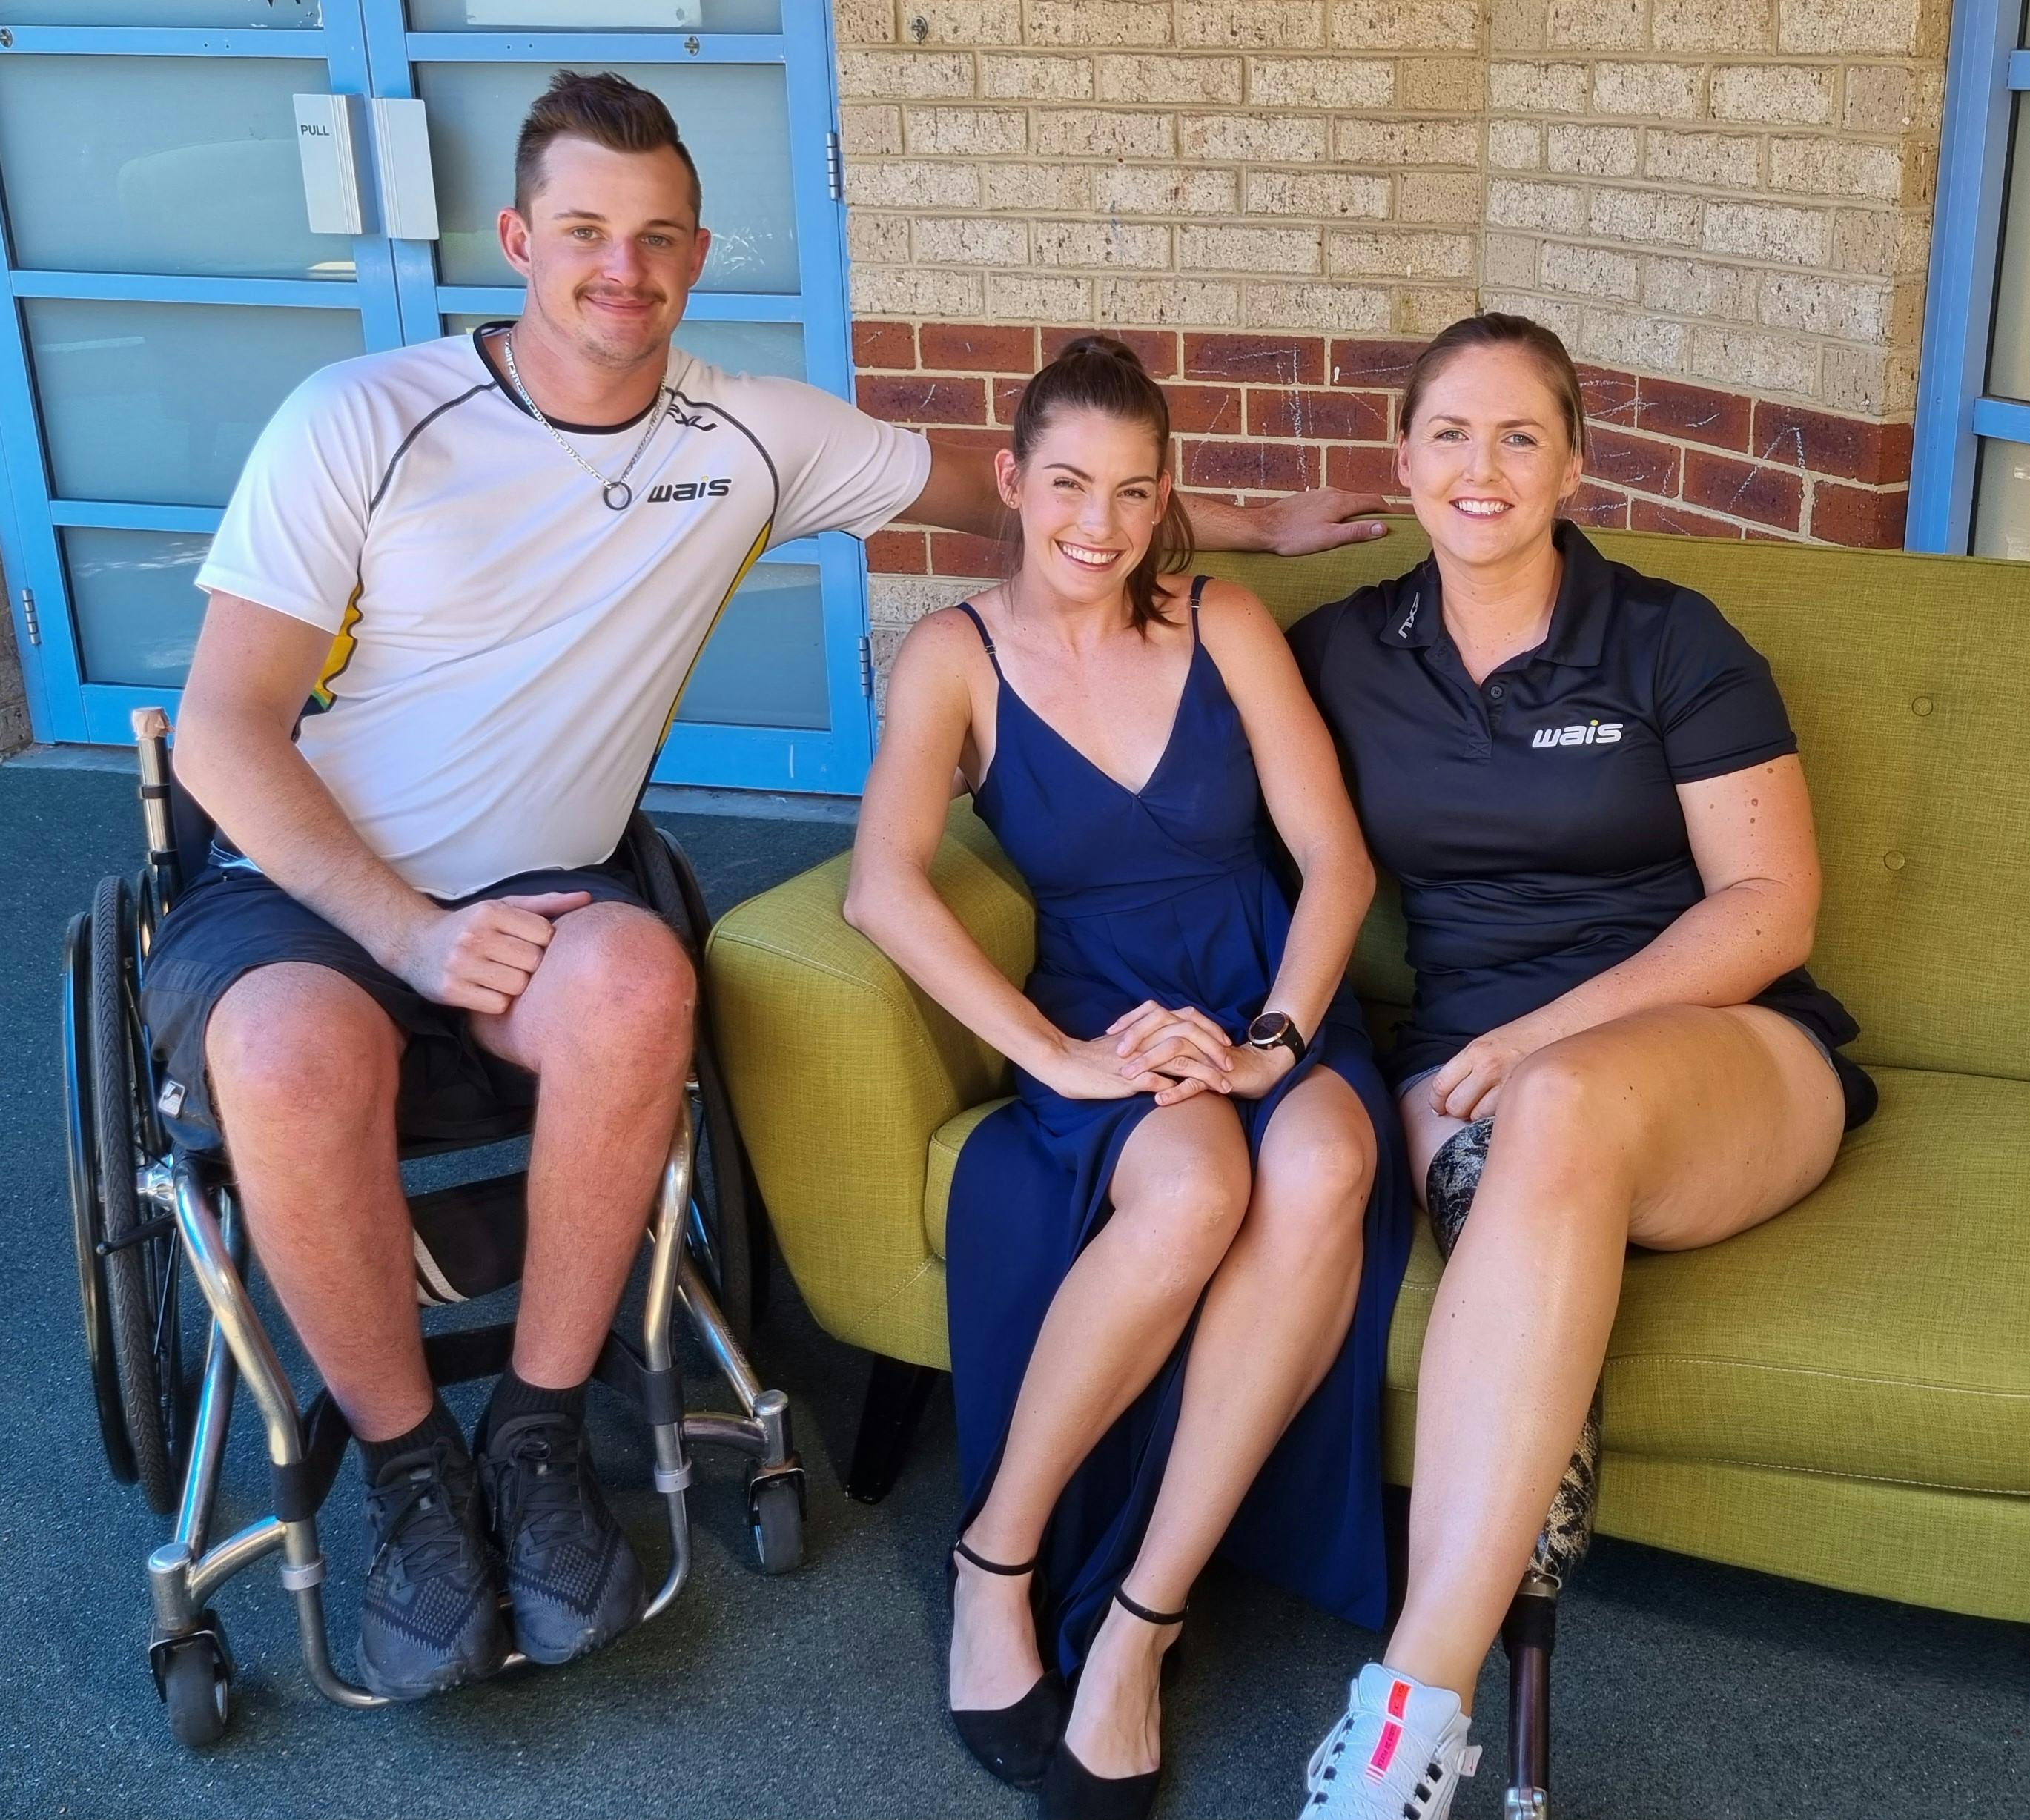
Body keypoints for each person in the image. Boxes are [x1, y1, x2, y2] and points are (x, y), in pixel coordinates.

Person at [145, 70, 1398, 1704]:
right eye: (585, 231)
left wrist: (1259, 526)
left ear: (699, 253)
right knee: (296, 1053)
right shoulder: (360, 421)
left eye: (657, 237)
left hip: (548, 887)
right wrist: (404, 927)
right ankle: (405, 1472)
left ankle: (534, 1435)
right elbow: (229, 733)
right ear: (518, 238)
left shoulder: (747, 436)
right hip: (307, 887)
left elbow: (1015, 498)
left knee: (648, 985)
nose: (622, 268)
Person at [1284, 311, 1878, 1818]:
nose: (1479, 469)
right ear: (1400, 463)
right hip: (1463, 1075)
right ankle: (1439, 1722)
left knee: (1544, 1109)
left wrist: (1540, 1034)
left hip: (1720, 1056)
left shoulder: (1668, 638)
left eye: (1517, 437)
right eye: (1448, 436)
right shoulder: (1342, 653)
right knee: (1519, 1149)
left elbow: (1767, 905)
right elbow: (1143, 689)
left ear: (1572, 466)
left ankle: (1408, 1704)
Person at [844, 336, 1412, 1820]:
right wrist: (1061, 1059)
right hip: (1103, 1012)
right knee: (1192, 1189)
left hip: (1270, 992)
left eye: (1134, 492)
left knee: (1325, 1165)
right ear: (1016, 486)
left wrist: (1276, 1039)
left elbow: (1336, 863)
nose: (1096, 524)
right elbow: (881, 891)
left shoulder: (1221, 621)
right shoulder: (953, 656)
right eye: (1069, 486)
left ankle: (1138, 1630)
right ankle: (997, 1564)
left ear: (1168, 501)